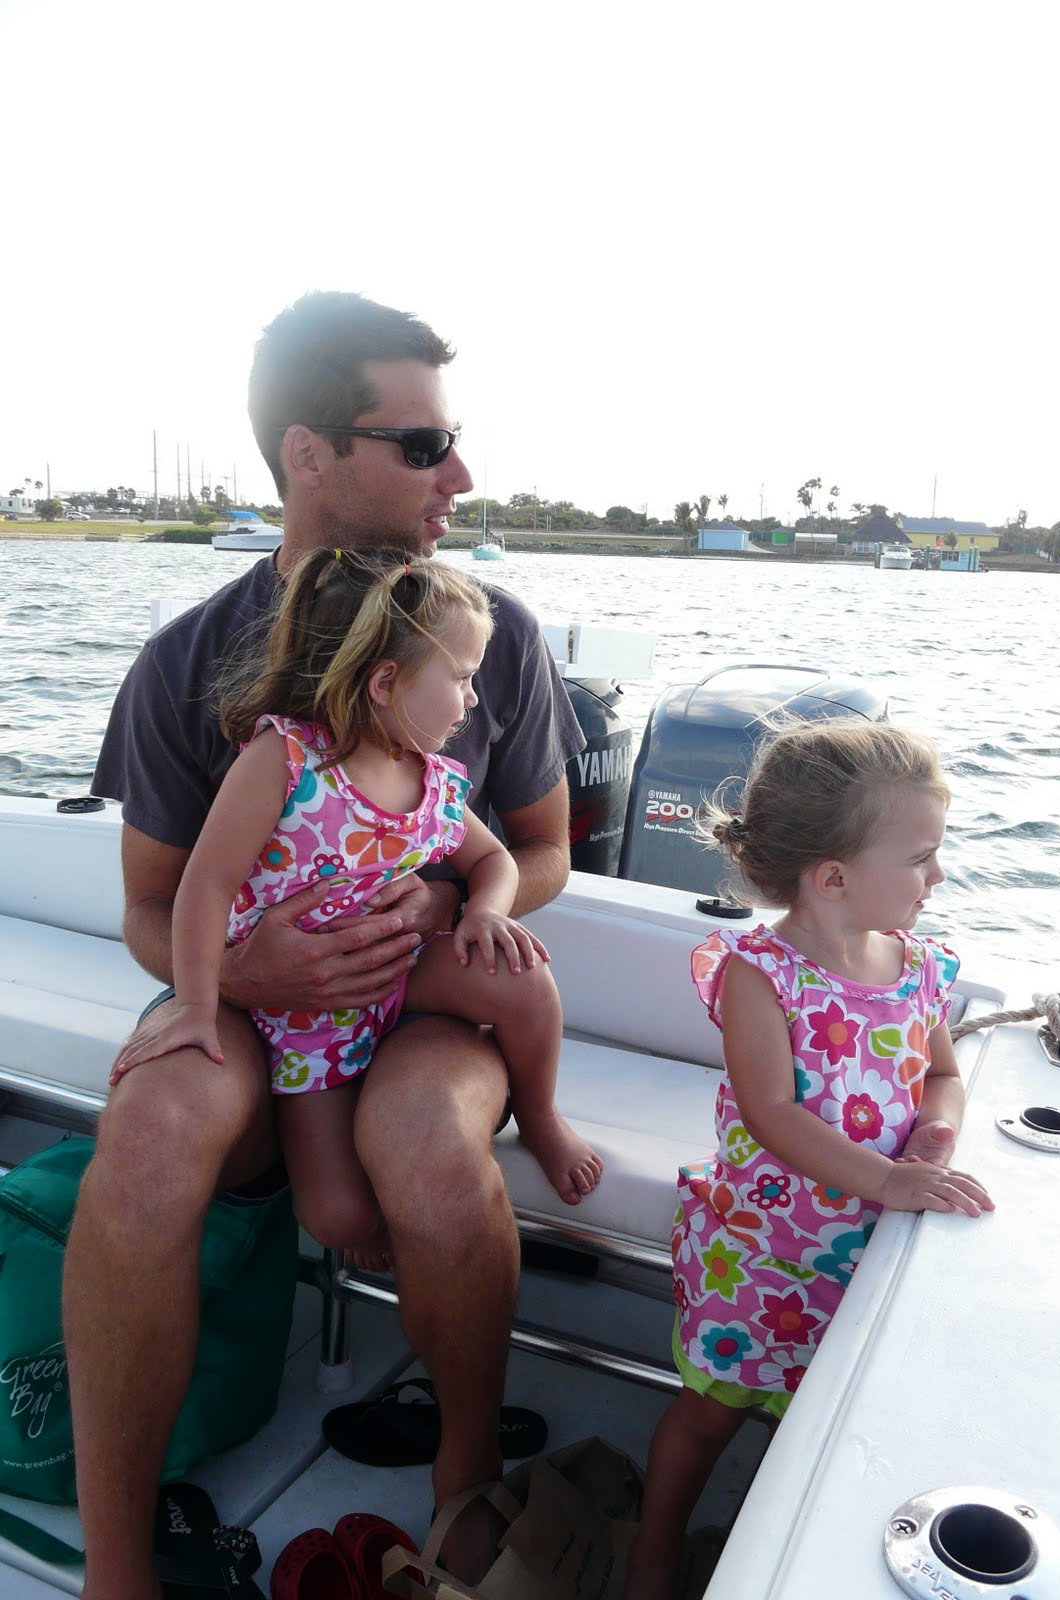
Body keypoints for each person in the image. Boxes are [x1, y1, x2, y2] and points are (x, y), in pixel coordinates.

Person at [65, 291, 586, 1600]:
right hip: (253, 1004)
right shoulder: (187, 660)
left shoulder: (492, 638)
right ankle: (117, 1568)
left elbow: (542, 852)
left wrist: (455, 908)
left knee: (427, 1146)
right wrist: (243, 976)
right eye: (423, 445)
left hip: (423, 1004)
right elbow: (152, 907)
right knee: (147, 1139)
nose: (458, 475)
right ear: (309, 455)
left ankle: (462, 1483)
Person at [108, 548, 602, 1243]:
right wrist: (196, 1002)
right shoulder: (282, 763)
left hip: (403, 972)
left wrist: (484, 912)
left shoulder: (431, 777)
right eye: (463, 678)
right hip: (301, 1014)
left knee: (524, 979)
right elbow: (205, 885)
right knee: (338, 1219)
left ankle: (540, 1115)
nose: (473, 699)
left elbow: (495, 859)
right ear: (386, 682)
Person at [624, 719, 995, 1600]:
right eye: (922, 858)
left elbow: (943, 1075)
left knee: (815, 1430)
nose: (939, 877)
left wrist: (935, 1131)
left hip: (861, 1262)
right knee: (710, 1414)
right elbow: (773, 1113)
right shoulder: (762, 975)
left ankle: (771, 1561)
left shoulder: (919, 969)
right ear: (833, 878)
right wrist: (891, 1179)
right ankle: (652, 1553)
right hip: (760, 1256)